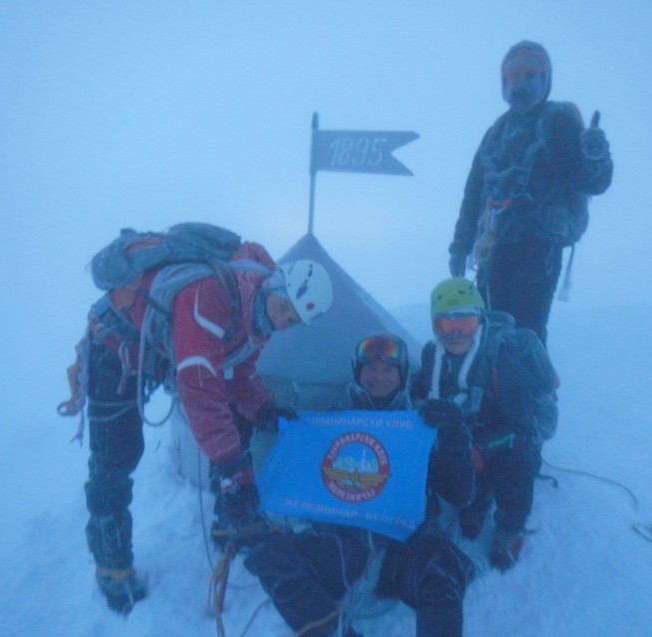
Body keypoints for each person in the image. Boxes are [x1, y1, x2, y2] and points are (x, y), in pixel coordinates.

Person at [80, 238, 333, 614]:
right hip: (113, 345)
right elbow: (200, 382)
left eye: (292, 320)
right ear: (273, 287)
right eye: (284, 309)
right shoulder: (212, 293)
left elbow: (237, 373)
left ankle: (229, 523)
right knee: (116, 457)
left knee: (238, 419)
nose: (282, 323)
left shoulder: (257, 316)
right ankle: (111, 566)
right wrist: (230, 466)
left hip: (158, 352)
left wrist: (262, 408)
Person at [244, 334, 476, 637]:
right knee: (269, 556)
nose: (378, 377)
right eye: (370, 369)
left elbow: (460, 493)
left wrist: (455, 440)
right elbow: (300, 480)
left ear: (402, 374)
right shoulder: (331, 421)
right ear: (357, 372)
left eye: (388, 369)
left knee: (441, 560)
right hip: (341, 547)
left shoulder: (422, 423)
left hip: (401, 547)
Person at [448, 40, 613, 345]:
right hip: (493, 248)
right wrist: (460, 245)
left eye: (529, 73)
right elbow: (473, 193)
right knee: (488, 333)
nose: (521, 80)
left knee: (524, 335)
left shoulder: (557, 120)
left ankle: (529, 393)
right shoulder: (496, 131)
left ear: (545, 78)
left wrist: (596, 156)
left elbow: (591, 183)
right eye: (513, 75)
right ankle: (493, 392)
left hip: (537, 247)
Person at [411, 278, 558, 571]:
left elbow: (526, 428)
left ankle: (510, 527)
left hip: (510, 438)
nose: (454, 333)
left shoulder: (503, 358)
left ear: (478, 321)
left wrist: (482, 449)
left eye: (464, 323)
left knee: (515, 466)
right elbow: (420, 393)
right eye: (444, 325)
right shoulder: (432, 355)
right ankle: (475, 500)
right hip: (465, 434)